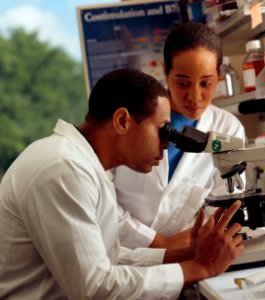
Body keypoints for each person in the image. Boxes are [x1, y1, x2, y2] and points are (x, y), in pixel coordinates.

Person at [0, 68, 244, 299]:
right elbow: (95, 288)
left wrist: (186, 253)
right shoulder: (63, 169)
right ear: (122, 121)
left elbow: (110, 258)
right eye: (163, 130)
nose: (167, 144)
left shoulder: (85, 166)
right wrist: (200, 267)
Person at [114, 22, 246, 249]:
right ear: (166, 71)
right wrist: (160, 243)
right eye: (183, 83)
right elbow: (102, 198)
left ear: (219, 75)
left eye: (206, 83)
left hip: (183, 255)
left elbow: (225, 205)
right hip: (120, 252)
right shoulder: (130, 120)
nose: (194, 96)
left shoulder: (227, 129)